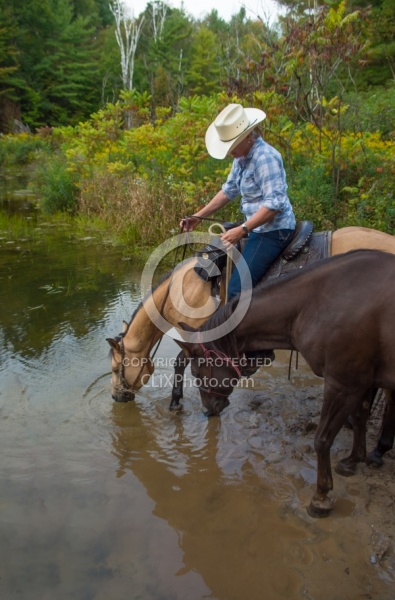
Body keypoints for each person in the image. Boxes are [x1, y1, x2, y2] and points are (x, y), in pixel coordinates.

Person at [180, 103, 296, 301]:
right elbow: (228, 191)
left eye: (232, 145)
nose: (228, 151)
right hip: (254, 226)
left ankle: (249, 331)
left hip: (273, 231)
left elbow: (275, 204)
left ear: (248, 135)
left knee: (236, 292)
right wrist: (198, 217)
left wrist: (242, 229)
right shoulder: (241, 158)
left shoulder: (265, 158)